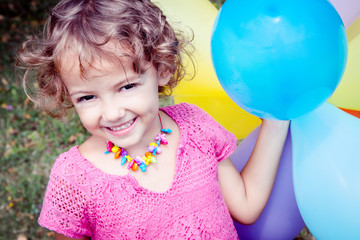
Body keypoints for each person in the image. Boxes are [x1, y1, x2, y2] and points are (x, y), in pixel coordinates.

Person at [16, 0, 289, 239]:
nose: (112, 113)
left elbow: (246, 206)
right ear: (66, 93)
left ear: (163, 69)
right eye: (87, 97)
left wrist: (278, 119)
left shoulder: (196, 128)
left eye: (126, 86)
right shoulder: (73, 179)